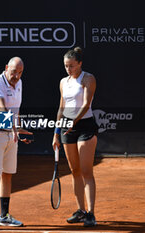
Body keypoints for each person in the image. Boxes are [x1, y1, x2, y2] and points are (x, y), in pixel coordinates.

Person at [0, 57, 32, 232]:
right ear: (6, 68)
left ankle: (4, 216)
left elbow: (15, 109)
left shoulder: (19, 83)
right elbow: (1, 106)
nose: (16, 76)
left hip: (10, 135)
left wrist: (17, 129)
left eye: (20, 72)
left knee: (7, 174)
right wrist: (13, 128)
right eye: (13, 72)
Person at [52, 47, 98, 227]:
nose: (68, 69)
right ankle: (80, 210)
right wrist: (56, 133)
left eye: (71, 66)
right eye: (65, 66)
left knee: (86, 171)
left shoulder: (88, 78)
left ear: (80, 63)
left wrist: (74, 121)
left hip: (85, 126)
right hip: (66, 128)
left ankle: (91, 213)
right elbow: (61, 108)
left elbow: (86, 104)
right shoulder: (63, 82)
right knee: (74, 171)